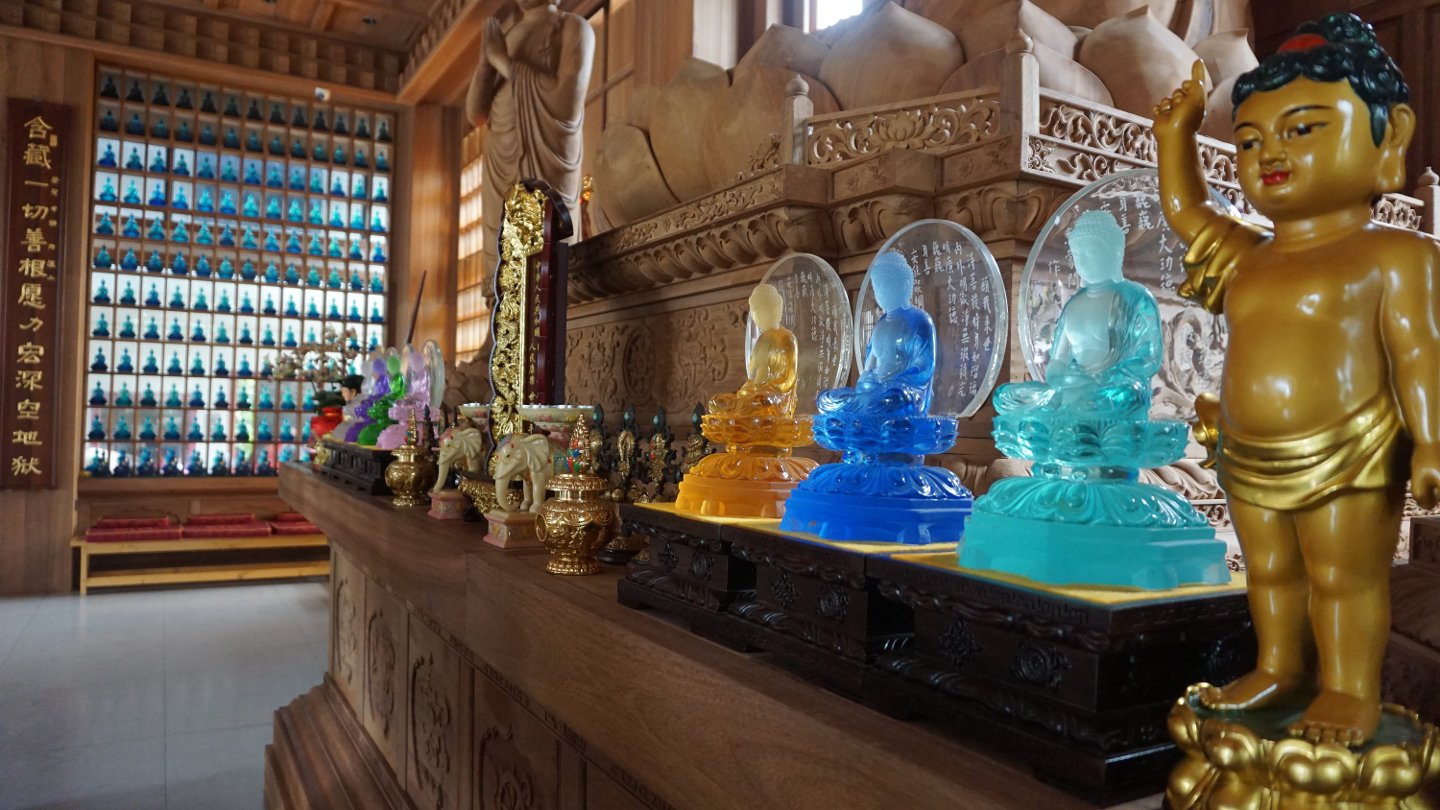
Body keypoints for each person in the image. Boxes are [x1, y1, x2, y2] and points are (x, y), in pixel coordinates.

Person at [1153, 12, 1439, 746]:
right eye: (1250, 141)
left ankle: (1348, 688)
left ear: (1391, 136)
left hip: (1352, 446)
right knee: (1271, 573)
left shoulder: (1395, 256)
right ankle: (1278, 667)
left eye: (1304, 129)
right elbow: (1187, 210)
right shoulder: (1249, 253)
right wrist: (1175, 136)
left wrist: (1432, 441)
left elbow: (1419, 351)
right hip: (1246, 446)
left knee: (1344, 578)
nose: (1271, 153)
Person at [466, 0, 594, 271]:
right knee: (502, 269)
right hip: (500, 161)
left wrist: (502, 60)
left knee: (544, 265)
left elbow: (566, 102)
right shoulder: (509, 36)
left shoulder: (573, 28)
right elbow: (476, 114)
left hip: (545, 156)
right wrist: (486, 64)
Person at [994, 210, 1159, 420]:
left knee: (1129, 396)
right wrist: (1061, 381)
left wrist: (1102, 379)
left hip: (1112, 390)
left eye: (1091, 251)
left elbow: (1148, 358)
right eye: (1077, 254)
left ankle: (1075, 412)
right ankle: (1072, 408)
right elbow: (1058, 361)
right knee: (1005, 397)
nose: (1082, 260)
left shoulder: (1135, 299)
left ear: (1116, 252)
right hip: (1073, 388)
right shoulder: (1073, 305)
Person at [818, 253, 934, 419]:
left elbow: (924, 367)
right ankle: (864, 407)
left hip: (900, 393)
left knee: (896, 401)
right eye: (876, 286)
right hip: (874, 393)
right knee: (826, 400)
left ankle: (867, 409)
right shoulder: (881, 324)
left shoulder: (920, 320)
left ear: (902, 285)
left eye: (885, 285)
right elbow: (869, 367)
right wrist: (866, 382)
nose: (880, 292)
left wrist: (893, 383)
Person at [707, 284, 797, 418]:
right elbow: (752, 377)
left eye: (760, 311)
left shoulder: (786, 338)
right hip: (754, 395)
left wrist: (764, 390)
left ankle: (742, 412)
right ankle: (741, 411)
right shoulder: (761, 341)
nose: (756, 317)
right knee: (716, 402)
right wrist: (748, 390)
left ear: (774, 310)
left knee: (759, 401)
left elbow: (787, 380)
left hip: (773, 399)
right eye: (754, 312)